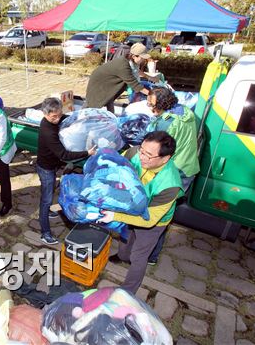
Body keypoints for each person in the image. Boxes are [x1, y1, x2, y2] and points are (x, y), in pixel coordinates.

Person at [99, 131, 183, 295]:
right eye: (142, 150)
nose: (142, 157)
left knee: (139, 255)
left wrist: (115, 215)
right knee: (126, 236)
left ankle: (128, 291)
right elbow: (118, 166)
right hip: (131, 206)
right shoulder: (134, 152)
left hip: (154, 221)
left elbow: (149, 219)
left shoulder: (170, 184)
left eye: (149, 155)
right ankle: (123, 256)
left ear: (165, 158)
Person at [145, 87, 200, 265]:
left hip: (174, 173)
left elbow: (154, 147)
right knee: (166, 211)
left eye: (152, 105)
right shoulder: (184, 111)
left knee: (158, 214)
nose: (150, 108)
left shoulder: (167, 123)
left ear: (162, 104)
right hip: (188, 167)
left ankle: (151, 255)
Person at [37, 97, 97, 244]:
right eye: (54, 117)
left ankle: (49, 212)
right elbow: (64, 154)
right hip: (46, 168)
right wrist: (86, 153)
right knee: (46, 199)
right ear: (45, 114)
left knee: (51, 190)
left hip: (53, 164)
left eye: (59, 114)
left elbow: (65, 117)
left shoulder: (56, 118)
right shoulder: (47, 131)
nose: (57, 119)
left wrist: (81, 117)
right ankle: (44, 233)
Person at [85, 43, 153, 112]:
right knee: (92, 104)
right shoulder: (123, 66)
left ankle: (112, 119)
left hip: (108, 84)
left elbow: (137, 72)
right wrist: (153, 95)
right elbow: (136, 85)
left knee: (109, 98)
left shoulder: (132, 63)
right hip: (99, 83)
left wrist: (150, 77)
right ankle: (79, 118)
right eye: (142, 58)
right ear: (134, 56)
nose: (143, 60)